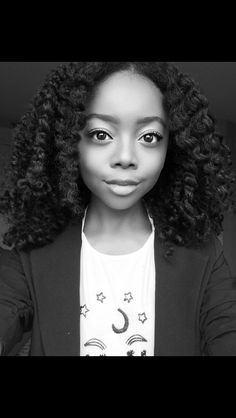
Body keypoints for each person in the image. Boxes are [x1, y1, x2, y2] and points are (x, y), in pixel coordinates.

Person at [0, 61, 236, 356]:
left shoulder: (204, 255)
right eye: (101, 134)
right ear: (69, 142)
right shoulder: (31, 254)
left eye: (149, 137)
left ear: (171, 148)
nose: (125, 157)